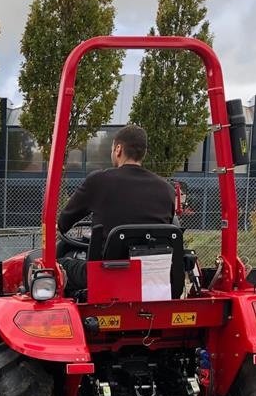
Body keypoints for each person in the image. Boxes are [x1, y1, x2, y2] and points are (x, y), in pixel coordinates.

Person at [57, 124, 175, 291]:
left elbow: (63, 223)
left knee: (58, 264)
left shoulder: (98, 181)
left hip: (107, 278)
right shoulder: (167, 189)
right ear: (144, 153)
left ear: (118, 149)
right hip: (152, 278)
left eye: (112, 149)